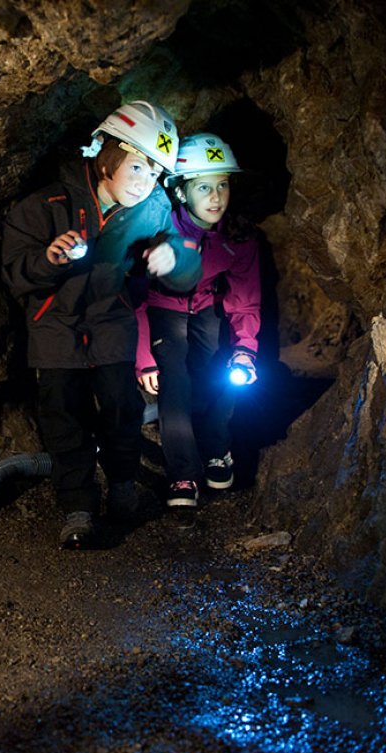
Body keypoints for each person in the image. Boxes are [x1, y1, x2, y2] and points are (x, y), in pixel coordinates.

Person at [2, 101, 203, 549]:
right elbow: (14, 272)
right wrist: (48, 259)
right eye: (136, 167)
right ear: (107, 155)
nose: (143, 183)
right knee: (64, 416)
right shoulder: (44, 205)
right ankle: (78, 507)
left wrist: (176, 259)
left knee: (121, 408)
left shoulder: (151, 209)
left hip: (111, 321)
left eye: (153, 174)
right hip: (54, 326)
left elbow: (186, 257)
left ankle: (124, 487)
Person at [135, 132, 262, 514]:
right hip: (160, 308)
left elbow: (245, 299)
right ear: (180, 192)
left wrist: (245, 351)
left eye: (222, 185)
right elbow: (133, 296)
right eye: (203, 186)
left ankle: (216, 450)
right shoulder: (158, 230)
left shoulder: (238, 237)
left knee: (224, 373)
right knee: (175, 381)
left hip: (206, 308)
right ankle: (183, 474)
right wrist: (144, 357)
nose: (216, 197)